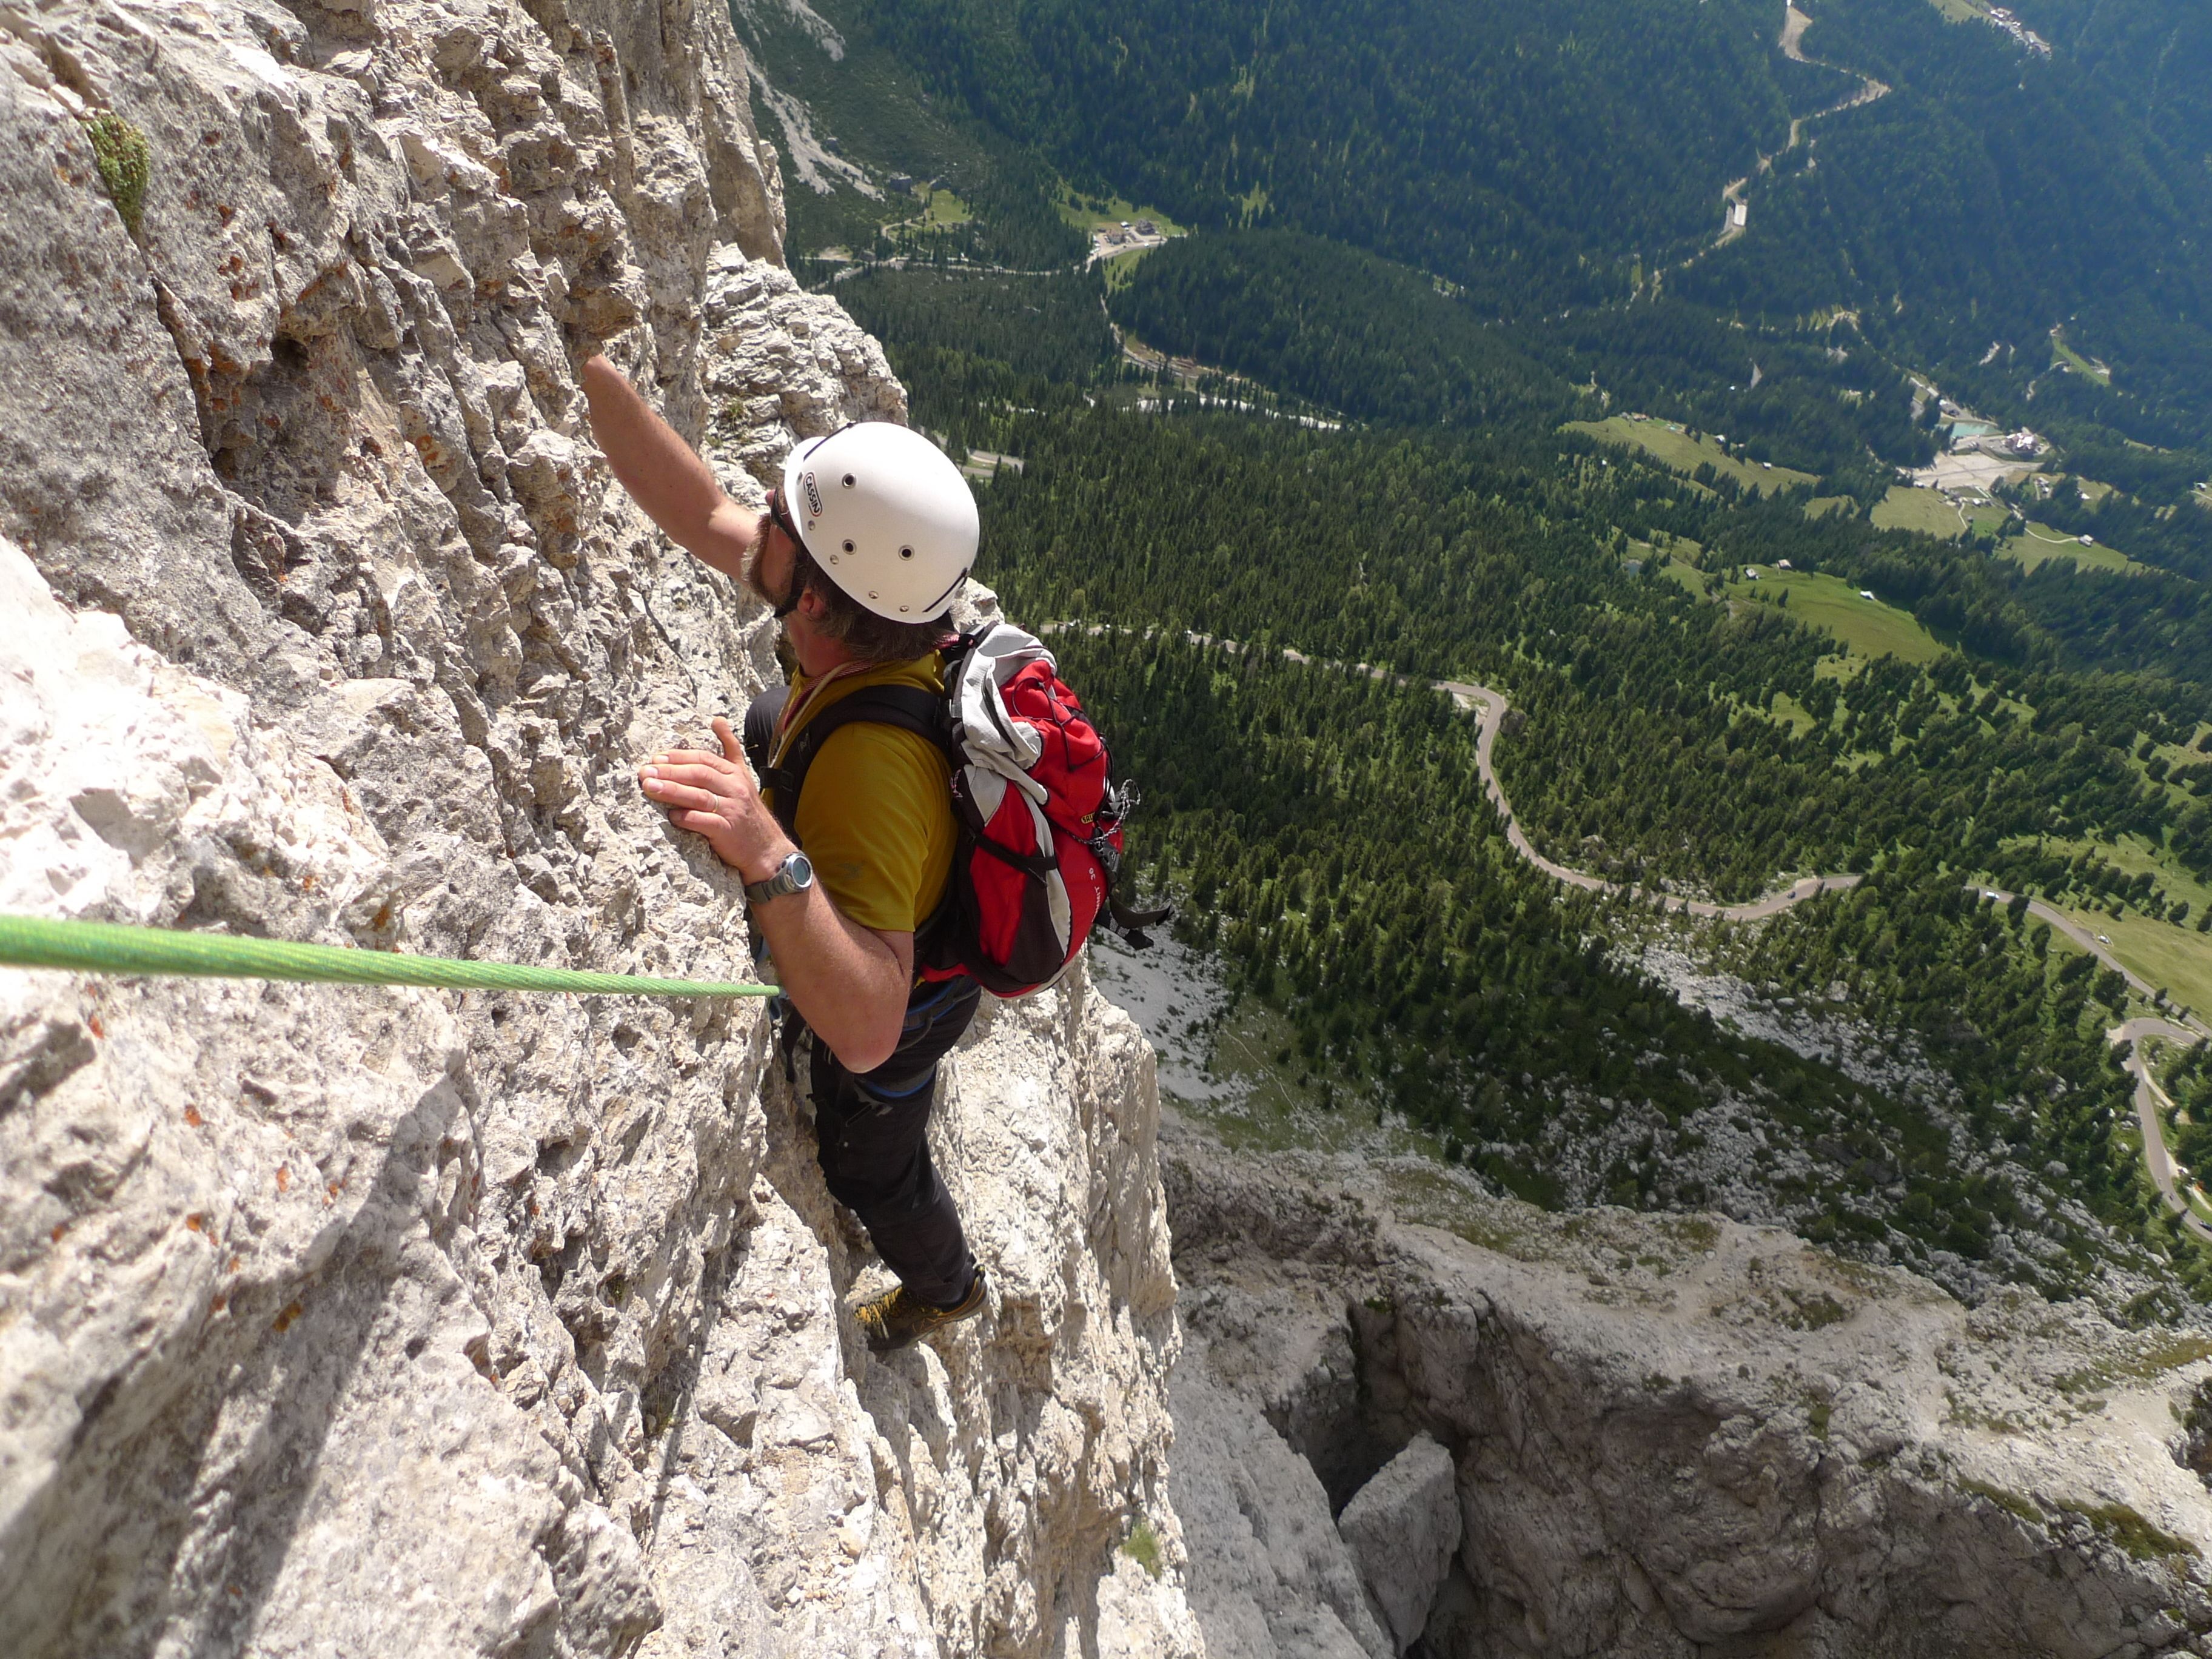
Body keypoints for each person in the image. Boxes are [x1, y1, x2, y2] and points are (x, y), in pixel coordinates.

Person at [580, 355, 988, 1355]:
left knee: (868, 1159)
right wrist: (584, 367)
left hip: (910, 1000)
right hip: (864, 824)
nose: (763, 508)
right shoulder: (872, 611)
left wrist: (770, 849)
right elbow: (706, 511)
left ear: (813, 600)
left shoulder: (871, 771)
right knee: (772, 717)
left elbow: (867, 1026)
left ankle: (948, 1287)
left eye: (784, 516)